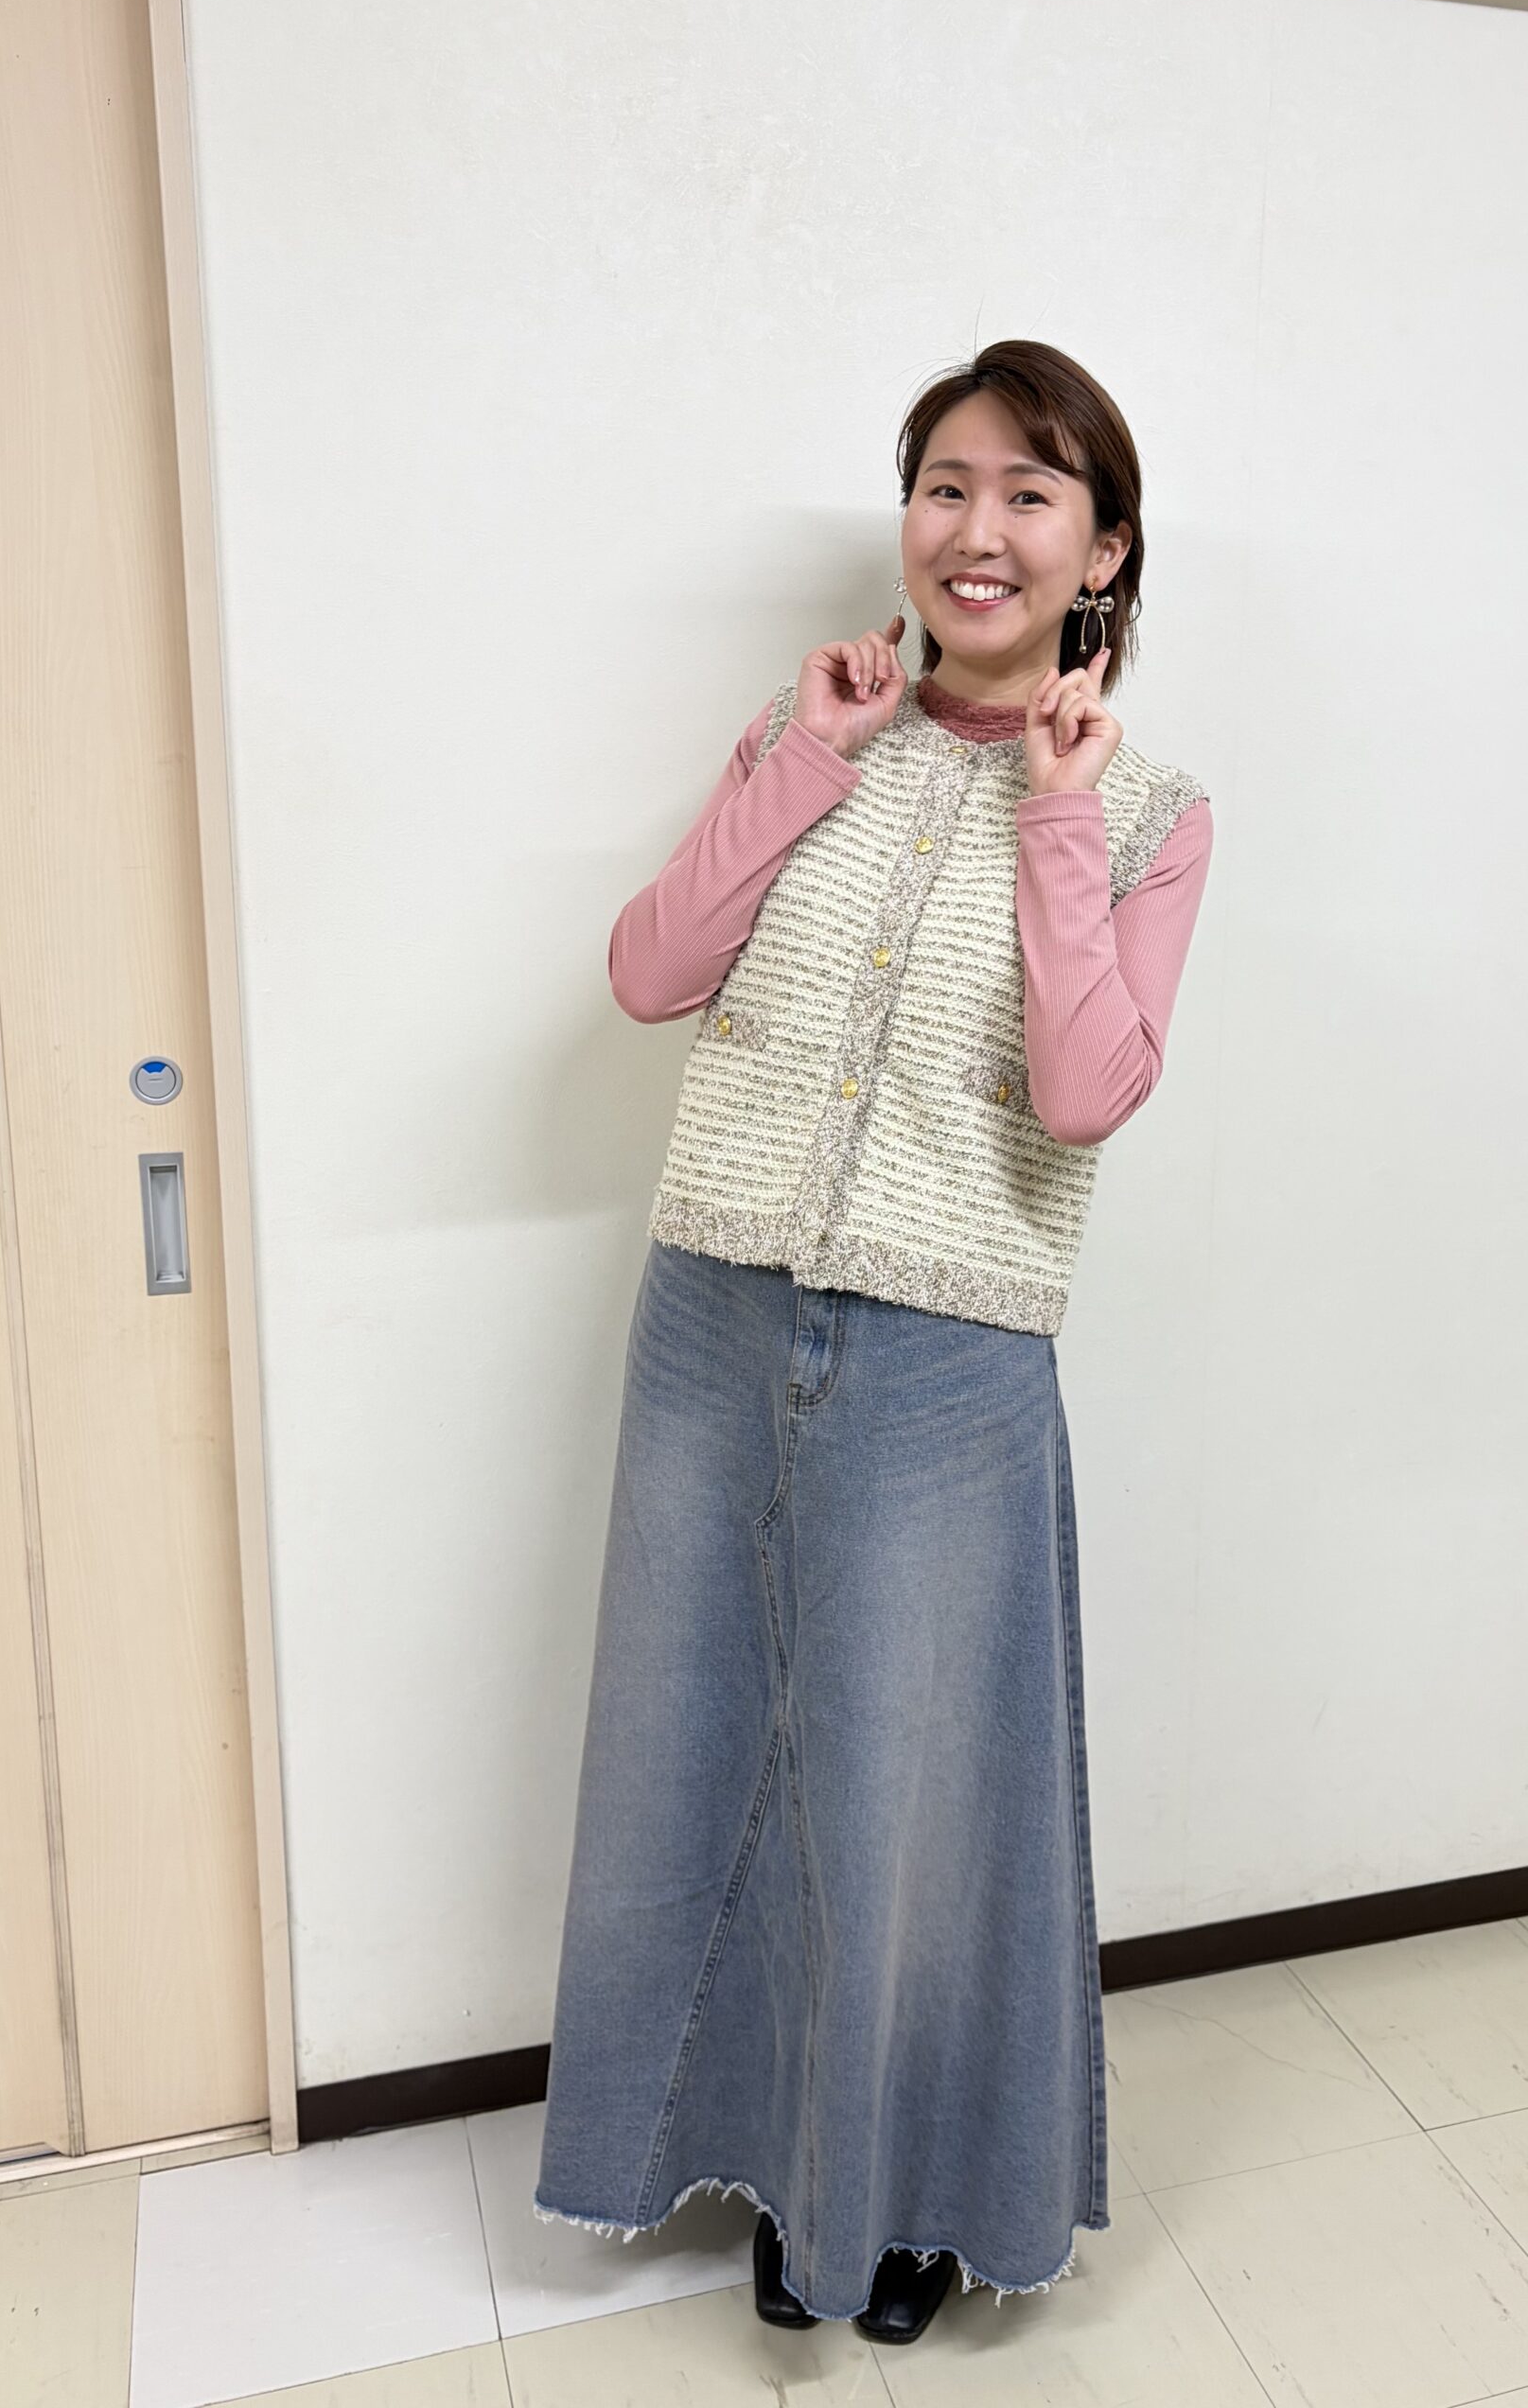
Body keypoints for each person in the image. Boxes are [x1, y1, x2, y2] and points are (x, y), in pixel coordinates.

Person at [533, 340, 1213, 2345]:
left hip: (950, 1353)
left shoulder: (1151, 811)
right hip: (714, 1310)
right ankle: (766, 2155)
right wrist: (803, 764)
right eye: (944, 485)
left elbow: (1084, 1094)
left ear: (1102, 548)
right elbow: (652, 970)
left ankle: (908, 2192)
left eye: (1028, 493)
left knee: (914, 1795)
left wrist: (1056, 821)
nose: (976, 530)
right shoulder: (805, 724)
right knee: (694, 1742)